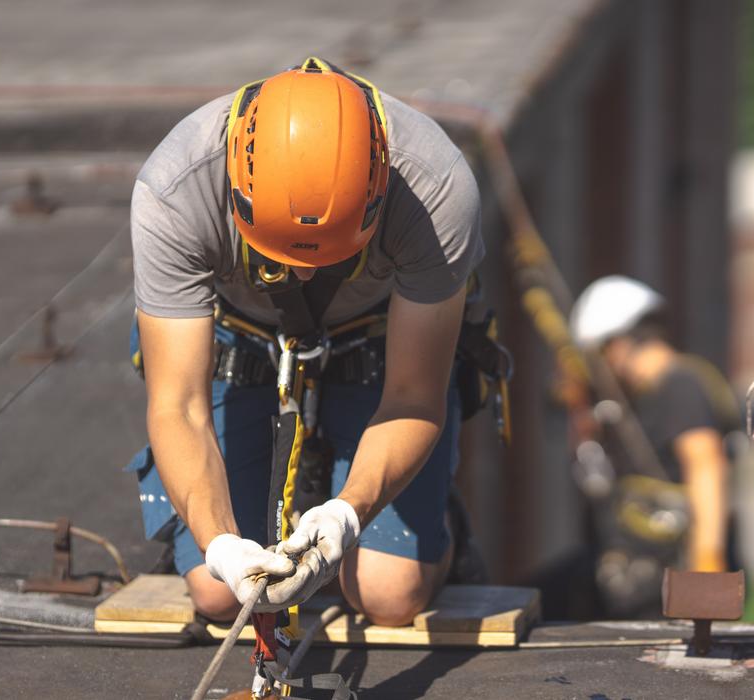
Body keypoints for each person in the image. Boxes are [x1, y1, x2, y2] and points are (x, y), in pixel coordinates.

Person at [124, 57, 485, 626]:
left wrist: (348, 512)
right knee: (220, 597)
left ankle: (439, 524)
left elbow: (414, 397)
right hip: (237, 339)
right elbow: (179, 406)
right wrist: (220, 545)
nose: (307, 277)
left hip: (377, 339)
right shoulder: (175, 190)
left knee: (389, 596)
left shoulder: (436, 188)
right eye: (280, 254)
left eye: (330, 254)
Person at [571, 276, 739, 576]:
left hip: (670, 569)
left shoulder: (680, 384)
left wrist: (706, 564)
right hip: (643, 564)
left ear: (616, 344)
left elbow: (706, 465)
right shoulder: (651, 393)